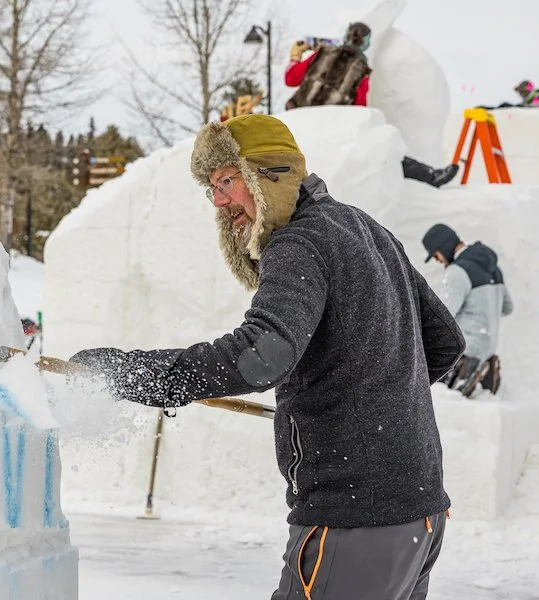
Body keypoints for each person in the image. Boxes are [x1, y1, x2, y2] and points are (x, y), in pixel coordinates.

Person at [69, 114, 466, 599]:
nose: (218, 201)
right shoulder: (363, 228)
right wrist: (364, 399)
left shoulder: (298, 243)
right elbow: (445, 341)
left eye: (226, 181)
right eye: (210, 188)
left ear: (267, 173)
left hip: (354, 518)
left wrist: (128, 375)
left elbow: (260, 354)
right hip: (418, 517)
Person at [284, 22, 460, 189]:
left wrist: (295, 56)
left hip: (299, 124)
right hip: (330, 130)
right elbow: (360, 109)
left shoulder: (322, 54)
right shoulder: (360, 68)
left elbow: (290, 78)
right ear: (365, 43)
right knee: (384, 149)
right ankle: (431, 176)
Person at [422, 223, 513, 397]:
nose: (438, 261)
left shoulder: (457, 271)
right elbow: (508, 308)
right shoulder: (494, 270)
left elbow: (441, 316)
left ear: (443, 246)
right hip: (487, 357)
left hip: (462, 362)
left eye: (436, 255)